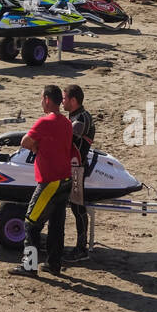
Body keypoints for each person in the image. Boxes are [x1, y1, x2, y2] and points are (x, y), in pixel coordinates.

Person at [9, 85, 76, 278]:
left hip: (51, 182)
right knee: (56, 224)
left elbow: (25, 142)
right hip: (65, 180)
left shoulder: (45, 122)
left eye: (41, 98)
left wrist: (37, 147)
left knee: (31, 222)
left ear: (47, 99)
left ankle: (29, 266)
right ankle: (53, 264)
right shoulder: (65, 122)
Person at [63, 84, 94, 262]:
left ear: (73, 101)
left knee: (77, 208)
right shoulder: (76, 115)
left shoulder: (82, 118)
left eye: (65, 98)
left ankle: (81, 249)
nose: (62, 101)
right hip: (73, 166)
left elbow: (68, 139)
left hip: (77, 168)